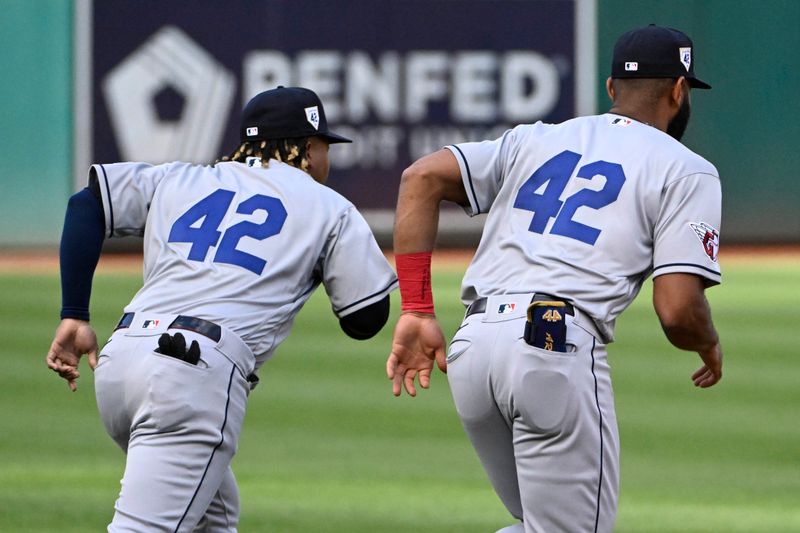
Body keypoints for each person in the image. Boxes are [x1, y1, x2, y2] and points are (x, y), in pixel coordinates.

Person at [386, 24, 723, 533]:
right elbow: (678, 311)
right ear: (679, 91)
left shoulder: (536, 138)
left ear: (611, 90)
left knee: (541, 524)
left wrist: (415, 307)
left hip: (473, 347)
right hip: (552, 343)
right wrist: (709, 344)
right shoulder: (686, 169)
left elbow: (421, 178)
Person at [46, 86, 397, 531]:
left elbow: (86, 204)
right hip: (189, 378)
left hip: (121, 361)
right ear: (308, 148)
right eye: (325, 146)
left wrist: (74, 313)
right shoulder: (329, 207)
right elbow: (365, 320)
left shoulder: (180, 177)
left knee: (216, 518)